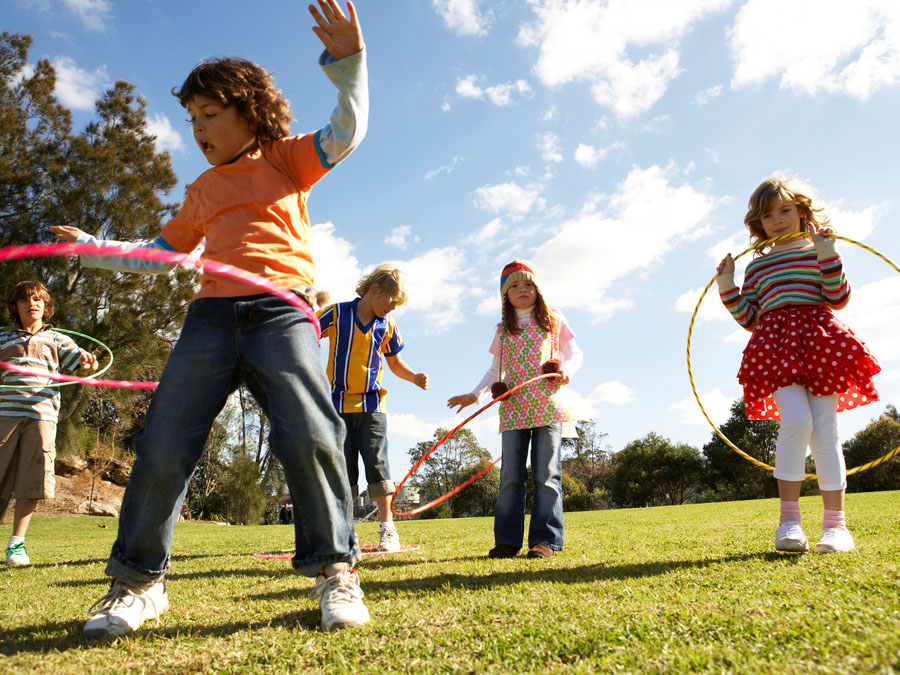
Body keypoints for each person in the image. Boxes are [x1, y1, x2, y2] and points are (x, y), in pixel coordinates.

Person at [51, 0, 370, 635]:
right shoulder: (201, 190)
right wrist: (96, 247)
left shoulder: (284, 158)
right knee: (164, 442)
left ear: (248, 111)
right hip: (211, 318)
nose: (198, 129)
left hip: (282, 310)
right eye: (192, 118)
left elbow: (346, 131)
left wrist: (350, 68)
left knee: (309, 432)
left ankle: (336, 570)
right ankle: (137, 583)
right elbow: (159, 256)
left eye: (210, 114)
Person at [716, 176, 880, 555]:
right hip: (776, 346)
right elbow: (750, 317)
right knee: (797, 420)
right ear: (759, 224)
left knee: (825, 432)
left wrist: (827, 252)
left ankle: (836, 527)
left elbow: (838, 298)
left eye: (785, 211)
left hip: (821, 343)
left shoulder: (818, 250)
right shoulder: (757, 267)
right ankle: (789, 522)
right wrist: (727, 284)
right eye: (768, 215)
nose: (778, 220)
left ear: (803, 212)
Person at [447, 259, 582, 559]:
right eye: (515, 287)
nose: (523, 290)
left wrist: (566, 370)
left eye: (528, 285)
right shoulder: (503, 331)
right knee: (510, 475)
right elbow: (495, 371)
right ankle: (507, 540)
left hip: (548, 406)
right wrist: (475, 395)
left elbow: (575, 354)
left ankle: (544, 540)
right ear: (504, 295)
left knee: (546, 473)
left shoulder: (553, 320)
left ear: (538, 289)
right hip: (514, 409)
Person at [317, 264, 428, 552]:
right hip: (337, 405)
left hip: (373, 405)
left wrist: (413, 376)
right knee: (342, 469)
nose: (391, 310)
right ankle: (342, 532)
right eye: (391, 303)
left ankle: (387, 528)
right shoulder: (337, 313)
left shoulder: (386, 325)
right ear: (375, 289)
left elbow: (394, 363)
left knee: (378, 464)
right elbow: (308, 333)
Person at [0, 281, 97, 566]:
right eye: (25, 300)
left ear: (46, 306)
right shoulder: (4, 339)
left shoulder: (57, 339)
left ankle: (17, 544)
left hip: (42, 417)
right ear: (15, 308)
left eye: (37, 299)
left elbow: (81, 362)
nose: (32, 303)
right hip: (5, 415)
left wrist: (87, 361)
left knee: (33, 477)